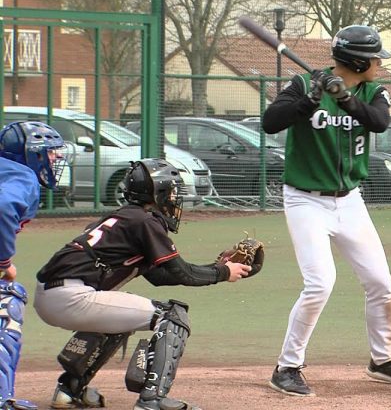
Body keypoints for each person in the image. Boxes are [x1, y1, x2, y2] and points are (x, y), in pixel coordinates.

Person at [262, 24, 391, 397]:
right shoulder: (304, 84)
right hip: (305, 199)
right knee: (320, 283)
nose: (378, 66)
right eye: (373, 60)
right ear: (357, 60)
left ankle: (383, 360)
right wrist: (310, 101)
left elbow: (379, 122)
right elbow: (271, 122)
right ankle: (287, 367)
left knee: (380, 283)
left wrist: (347, 98)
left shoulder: (372, 90)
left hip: (349, 200)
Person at [33, 158, 254, 410]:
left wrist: (218, 268)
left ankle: (69, 390)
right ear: (158, 193)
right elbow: (182, 273)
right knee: (173, 316)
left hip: (54, 295)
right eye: (172, 191)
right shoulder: (145, 221)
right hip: (72, 296)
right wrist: (223, 272)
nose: (175, 198)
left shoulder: (126, 218)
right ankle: (152, 400)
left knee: (118, 317)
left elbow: (160, 276)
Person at [0, 121, 68, 410]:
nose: (56, 159)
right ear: (31, 153)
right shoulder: (23, 176)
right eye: (50, 153)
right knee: (7, 305)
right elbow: (2, 207)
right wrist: (4, 262)